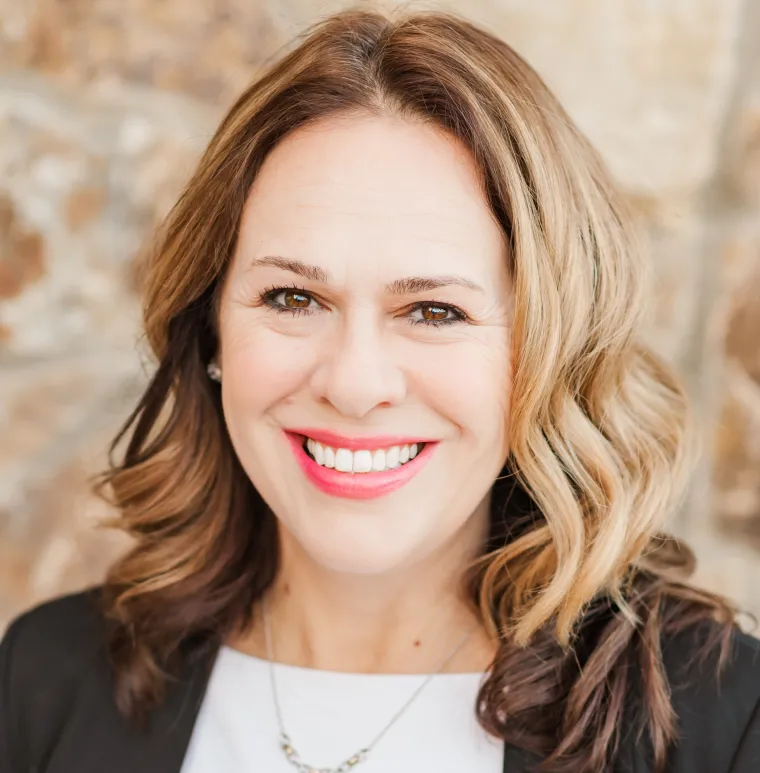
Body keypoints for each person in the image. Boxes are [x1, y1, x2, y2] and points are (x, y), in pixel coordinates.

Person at [1, 7, 759, 773]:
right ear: (211, 330)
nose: (355, 384)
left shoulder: (723, 720)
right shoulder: (47, 677)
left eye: (435, 310)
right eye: (293, 298)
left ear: (548, 349)